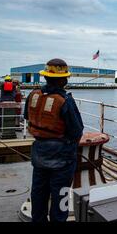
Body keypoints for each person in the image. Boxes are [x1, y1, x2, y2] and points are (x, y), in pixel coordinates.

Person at [24, 59, 84, 222]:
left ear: (45, 77)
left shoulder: (33, 95)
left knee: (38, 193)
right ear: (64, 79)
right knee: (61, 198)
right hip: (62, 159)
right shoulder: (65, 101)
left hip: (39, 154)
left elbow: (27, 117)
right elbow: (77, 131)